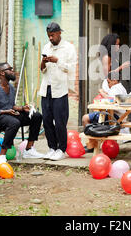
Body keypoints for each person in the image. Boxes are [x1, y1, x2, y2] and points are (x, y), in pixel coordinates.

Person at [0, 62, 44, 167]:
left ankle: (28, 149)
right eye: (10, 69)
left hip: (7, 115)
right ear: (1, 73)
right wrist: (5, 111)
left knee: (36, 116)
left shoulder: (10, 87)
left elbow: (12, 106)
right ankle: (1, 157)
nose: (12, 71)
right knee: (14, 122)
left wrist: (22, 108)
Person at [40, 22, 77, 161]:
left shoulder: (68, 48)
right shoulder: (46, 47)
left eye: (53, 35)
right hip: (46, 89)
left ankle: (61, 149)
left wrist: (57, 61)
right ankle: (52, 148)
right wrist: (44, 62)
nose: (50, 38)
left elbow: (72, 68)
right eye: (49, 36)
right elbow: (42, 69)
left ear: (59, 33)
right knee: (47, 120)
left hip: (60, 89)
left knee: (60, 121)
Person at [82, 72, 128, 152]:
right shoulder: (121, 87)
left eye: (108, 82)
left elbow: (112, 100)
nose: (108, 85)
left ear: (114, 80)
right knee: (96, 118)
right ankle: (94, 143)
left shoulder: (115, 88)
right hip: (119, 116)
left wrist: (102, 93)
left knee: (85, 118)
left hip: (114, 116)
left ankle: (91, 145)